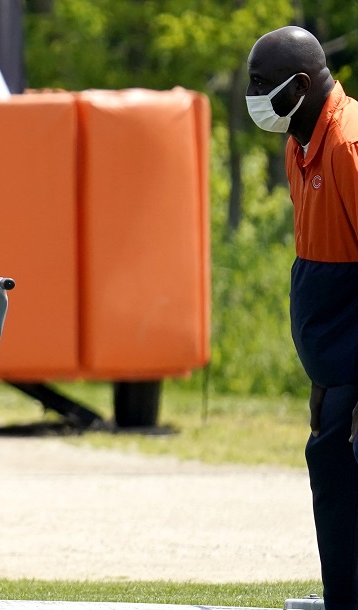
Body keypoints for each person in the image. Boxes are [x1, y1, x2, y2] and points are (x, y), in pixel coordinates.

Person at [247, 26, 358, 609]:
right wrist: (322, 375)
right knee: (330, 468)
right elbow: (321, 268)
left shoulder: (349, 145)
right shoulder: (299, 142)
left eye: (264, 86)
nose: (254, 97)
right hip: (337, 368)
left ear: (307, 83)